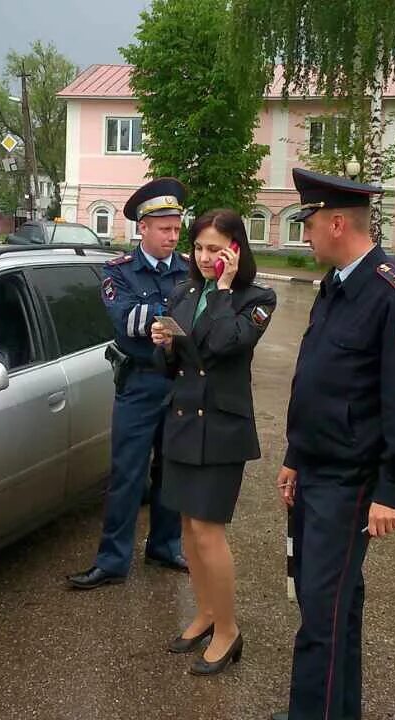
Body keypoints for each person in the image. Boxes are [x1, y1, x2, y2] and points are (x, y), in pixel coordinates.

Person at [270, 168, 395, 720]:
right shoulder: (337, 284)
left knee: (321, 614)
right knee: (337, 608)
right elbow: (316, 379)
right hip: (316, 471)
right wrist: (295, 455)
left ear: (338, 223)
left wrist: (393, 489)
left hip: (351, 480)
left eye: (310, 223)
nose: (306, 233)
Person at [150, 209, 276, 676]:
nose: (205, 258)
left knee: (209, 531)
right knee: (187, 528)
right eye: (199, 248)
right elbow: (175, 365)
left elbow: (225, 344)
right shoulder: (184, 290)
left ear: (235, 250)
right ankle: (205, 612)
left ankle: (228, 629)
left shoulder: (256, 298)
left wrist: (223, 289)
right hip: (182, 422)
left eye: (215, 250)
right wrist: (163, 343)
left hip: (221, 429)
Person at [66, 178, 190, 590]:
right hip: (137, 386)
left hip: (176, 384)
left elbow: (194, 320)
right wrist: (174, 313)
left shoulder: (189, 269)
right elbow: (127, 322)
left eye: (177, 228)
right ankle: (113, 560)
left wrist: (159, 315)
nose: (173, 236)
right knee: (127, 475)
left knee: (171, 470)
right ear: (143, 228)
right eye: (165, 229)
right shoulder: (117, 270)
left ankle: (165, 545)